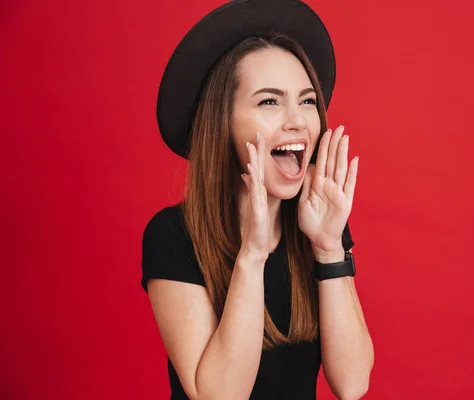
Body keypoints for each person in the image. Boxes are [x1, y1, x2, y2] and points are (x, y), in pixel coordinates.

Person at [141, 1, 374, 399]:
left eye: (306, 100)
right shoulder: (173, 236)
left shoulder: (317, 225)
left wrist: (329, 247)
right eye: (269, 101)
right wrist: (251, 255)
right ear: (223, 123)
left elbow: (353, 385)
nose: (298, 120)